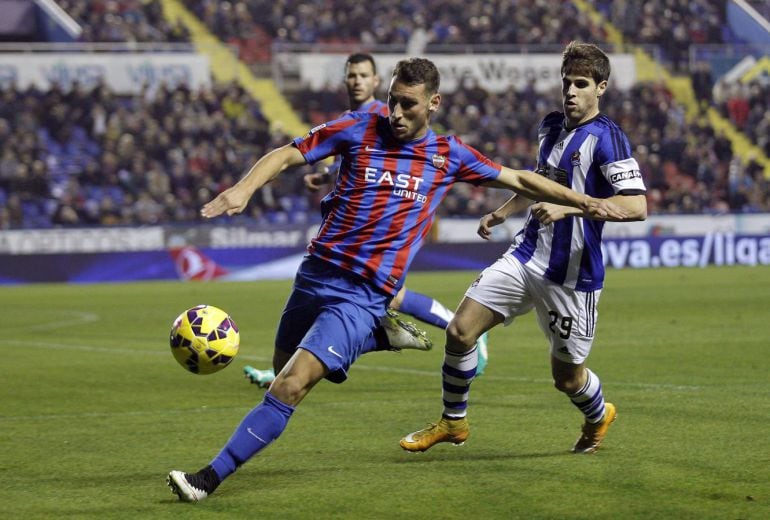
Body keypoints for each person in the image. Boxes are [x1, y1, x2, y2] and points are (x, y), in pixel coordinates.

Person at [167, 57, 627, 502]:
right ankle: (378, 337)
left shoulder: (448, 155)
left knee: (291, 386)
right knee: (280, 374)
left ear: (433, 104)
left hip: (363, 293)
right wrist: (243, 188)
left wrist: (583, 203)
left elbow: (520, 178)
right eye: (392, 101)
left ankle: (208, 478)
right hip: (314, 276)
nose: (396, 112)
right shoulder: (356, 128)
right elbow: (289, 153)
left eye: (408, 103)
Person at [400, 42, 648, 455]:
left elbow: (637, 206)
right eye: (566, 83)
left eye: (581, 84)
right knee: (460, 331)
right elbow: (539, 179)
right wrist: (503, 212)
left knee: (567, 379)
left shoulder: (609, 140)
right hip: (526, 254)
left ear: (600, 88)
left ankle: (598, 413)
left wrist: (569, 210)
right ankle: (453, 422)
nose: (570, 92)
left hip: (572, 275)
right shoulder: (550, 126)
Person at [243, 53, 488, 389]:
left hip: (381, 231)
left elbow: (410, 162)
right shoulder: (354, 118)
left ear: (376, 81)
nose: (356, 81)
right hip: (353, 232)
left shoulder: (385, 116)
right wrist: (328, 174)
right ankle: (298, 366)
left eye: (363, 75)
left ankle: (461, 329)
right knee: (362, 307)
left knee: (384, 299)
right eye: (351, 75)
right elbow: (361, 164)